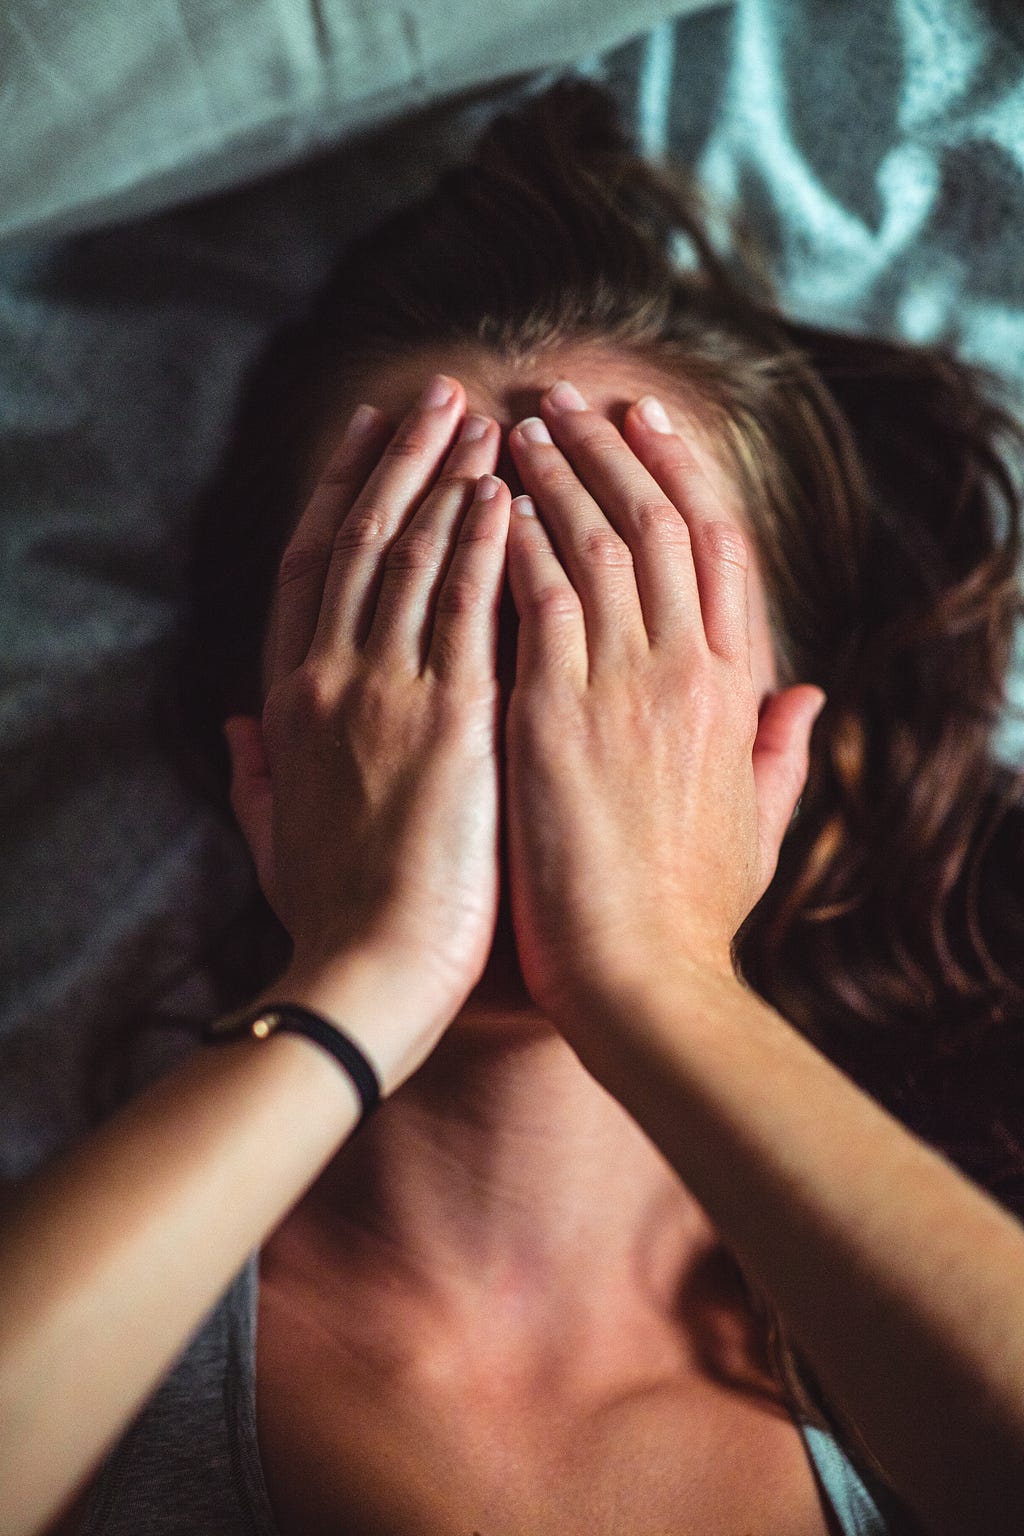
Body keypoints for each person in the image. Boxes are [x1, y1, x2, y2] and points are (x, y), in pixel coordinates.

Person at [2, 79, 1023, 1536]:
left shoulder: (930, 1322)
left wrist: (658, 979)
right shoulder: (89, 1323)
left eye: (620, 635)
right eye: (410, 610)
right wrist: (363, 982)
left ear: (797, 768)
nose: (509, 721)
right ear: (271, 746)